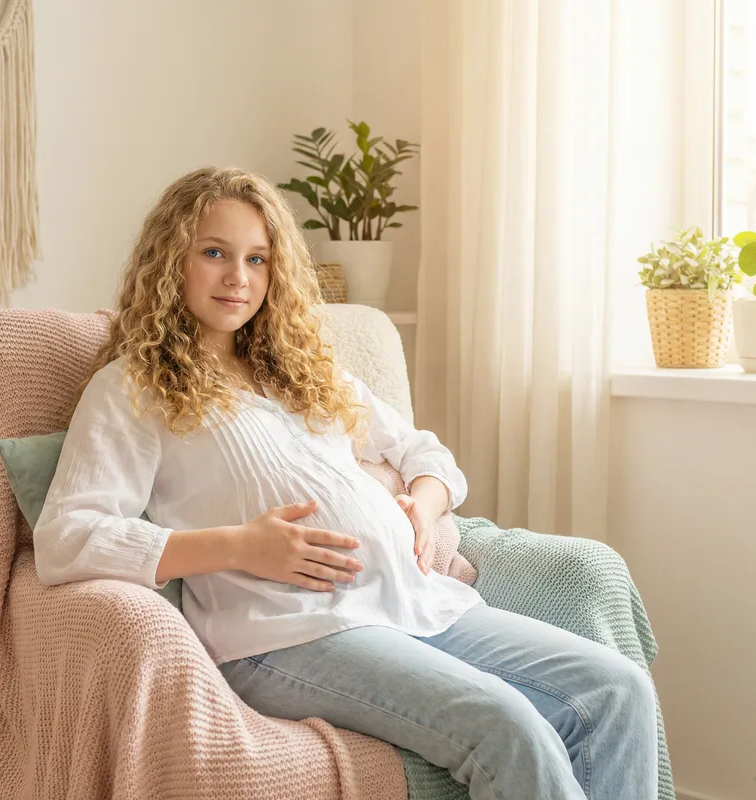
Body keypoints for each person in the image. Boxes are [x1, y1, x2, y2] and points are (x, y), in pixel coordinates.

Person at [33, 167, 658, 799]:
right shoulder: (132, 388)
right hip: (284, 633)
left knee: (615, 689)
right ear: (171, 261)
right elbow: (67, 537)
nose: (238, 277)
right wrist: (241, 546)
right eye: (214, 253)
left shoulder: (300, 372)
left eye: (257, 258)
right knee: (507, 728)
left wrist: (423, 508)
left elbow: (425, 452)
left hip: (413, 603)